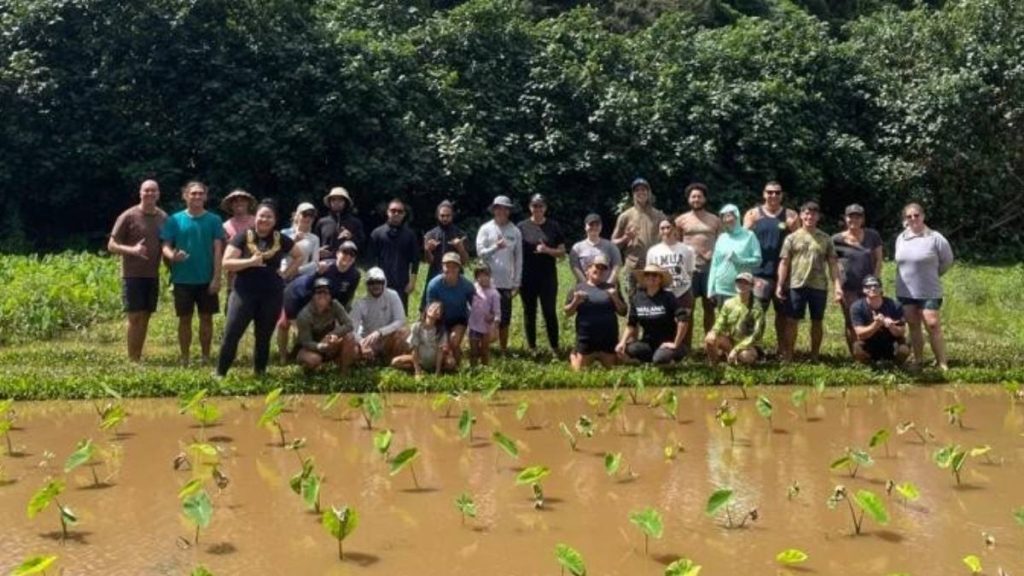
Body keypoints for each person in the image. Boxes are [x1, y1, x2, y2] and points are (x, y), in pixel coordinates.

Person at [217, 200, 304, 377]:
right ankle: (220, 373)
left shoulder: (281, 239)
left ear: (275, 220)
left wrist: (286, 274)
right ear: (255, 217)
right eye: (261, 216)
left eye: (269, 216)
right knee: (232, 333)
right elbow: (226, 263)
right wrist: (250, 262)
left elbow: (299, 256)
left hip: (271, 294)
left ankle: (260, 373)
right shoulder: (242, 236)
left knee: (264, 337)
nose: (264, 219)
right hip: (243, 292)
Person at [160, 181, 225, 366]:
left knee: (206, 318)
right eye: (193, 193)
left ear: (205, 196)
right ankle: (185, 358)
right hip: (182, 279)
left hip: (206, 279)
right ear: (185, 196)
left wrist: (216, 278)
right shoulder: (174, 220)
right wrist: (173, 256)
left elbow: (218, 250)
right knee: (184, 319)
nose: (196, 196)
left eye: (200, 193)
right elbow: (165, 245)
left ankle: (205, 357)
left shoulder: (214, 220)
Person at [107, 179, 168, 362]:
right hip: (132, 275)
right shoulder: (128, 216)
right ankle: (132, 359)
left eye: (153, 191)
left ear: (158, 194)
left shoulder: (163, 218)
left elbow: (167, 244)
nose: (150, 194)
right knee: (135, 317)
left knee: (146, 316)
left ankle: (138, 355)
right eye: (146, 190)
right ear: (140, 193)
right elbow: (111, 245)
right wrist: (131, 250)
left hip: (152, 275)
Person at [775, 201, 843, 362]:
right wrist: (779, 284)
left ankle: (815, 356)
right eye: (806, 213)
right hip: (796, 284)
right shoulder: (791, 238)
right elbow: (784, 262)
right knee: (792, 321)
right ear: (801, 215)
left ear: (818, 217)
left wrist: (837, 286)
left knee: (817, 321)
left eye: (813, 214)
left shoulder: (826, 238)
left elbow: (833, 263)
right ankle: (789, 356)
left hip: (818, 286)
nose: (809, 216)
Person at [894, 202, 954, 371]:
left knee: (932, 324)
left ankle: (942, 362)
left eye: (916, 215)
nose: (913, 219)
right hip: (905, 290)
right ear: (905, 219)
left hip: (929, 290)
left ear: (923, 216)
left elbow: (947, 261)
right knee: (913, 325)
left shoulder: (935, 237)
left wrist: (933, 274)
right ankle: (918, 360)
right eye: (909, 216)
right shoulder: (901, 238)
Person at [744, 181, 799, 350]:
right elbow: (742, 240)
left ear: (782, 195)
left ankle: (782, 349)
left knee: (782, 314)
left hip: (784, 273)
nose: (773, 195)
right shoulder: (753, 214)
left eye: (777, 192)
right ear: (763, 194)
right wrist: (750, 226)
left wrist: (793, 228)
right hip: (760, 273)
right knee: (757, 313)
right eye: (769, 192)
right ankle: (753, 349)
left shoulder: (791, 215)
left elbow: (800, 241)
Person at [675, 182, 721, 351]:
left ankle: (710, 345)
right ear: (689, 199)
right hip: (689, 270)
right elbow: (677, 243)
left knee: (710, 308)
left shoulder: (715, 220)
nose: (696, 199)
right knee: (688, 309)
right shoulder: (681, 220)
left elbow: (721, 242)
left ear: (705, 198)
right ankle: (686, 347)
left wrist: (713, 254)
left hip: (710, 269)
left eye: (699, 196)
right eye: (693, 196)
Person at [517, 194, 566, 352]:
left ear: (545, 208)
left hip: (548, 277)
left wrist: (547, 250)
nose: (537, 209)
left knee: (549, 311)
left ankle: (555, 347)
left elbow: (562, 253)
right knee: (529, 312)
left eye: (540, 206)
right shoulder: (521, 227)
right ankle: (532, 348)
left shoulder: (554, 226)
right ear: (529, 207)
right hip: (527, 277)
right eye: (534, 206)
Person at [833, 203, 884, 353]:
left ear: (863, 219)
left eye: (858, 216)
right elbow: (833, 266)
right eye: (850, 216)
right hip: (848, 287)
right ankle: (856, 353)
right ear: (845, 218)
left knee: (872, 318)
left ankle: (872, 351)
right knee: (851, 321)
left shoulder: (872, 236)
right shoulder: (836, 240)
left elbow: (879, 259)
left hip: (870, 286)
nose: (854, 219)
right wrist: (837, 287)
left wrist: (875, 281)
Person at [476, 195, 522, 354]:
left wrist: (517, 282)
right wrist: (495, 247)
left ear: (509, 211)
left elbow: (518, 258)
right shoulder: (485, 229)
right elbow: (480, 253)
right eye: (499, 208)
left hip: (506, 283)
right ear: (494, 209)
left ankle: (503, 349)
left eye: (505, 208)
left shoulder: (515, 231)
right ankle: (483, 348)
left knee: (504, 319)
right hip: (487, 283)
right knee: (484, 316)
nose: (502, 211)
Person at [615, 264, 688, 365]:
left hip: (667, 342)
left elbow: (683, 319)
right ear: (644, 278)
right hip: (648, 343)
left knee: (660, 359)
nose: (651, 277)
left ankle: (673, 356)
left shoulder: (668, 297)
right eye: (647, 274)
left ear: (660, 279)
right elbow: (631, 324)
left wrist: (675, 344)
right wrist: (622, 342)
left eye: (654, 275)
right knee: (627, 349)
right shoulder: (637, 298)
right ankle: (651, 359)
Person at [565, 255, 625, 370]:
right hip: (586, 339)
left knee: (613, 374)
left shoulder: (612, 288)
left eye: (603, 268)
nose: (600, 270)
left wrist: (615, 297)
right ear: (587, 269)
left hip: (607, 340)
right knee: (579, 375)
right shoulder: (577, 288)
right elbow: (567, 312)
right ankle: (574, 355)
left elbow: (623, 312)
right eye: (597, 267)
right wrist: (575, 301)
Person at [612, 178, 667, 299]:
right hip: (633, 267)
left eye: (644, 189)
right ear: (633, 194)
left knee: (656, 303)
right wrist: (626, 238)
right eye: (637, 190)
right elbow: (613, 244)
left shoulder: (659, 215)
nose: (641, 192)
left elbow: (668, 239)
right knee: (634, 304)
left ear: (649, 192)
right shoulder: (625, 216)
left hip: (654, 266)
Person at [646, 218, 696, 348]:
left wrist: (685, 286)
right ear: (659, 231)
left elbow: (689, 272)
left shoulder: (687, 249)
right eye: (662, 228)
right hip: (663, 292)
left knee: (685, 321)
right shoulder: (653, 251)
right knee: (665, 321)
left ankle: (685, 349)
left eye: (668, 227)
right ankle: (665, 347)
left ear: (674, 229)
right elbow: (650, 272)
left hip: (683, 292)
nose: (665, 231)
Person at [295, 278, 358, 373]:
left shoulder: (335, 305)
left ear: (330, 295)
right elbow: (306, 342)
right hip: (311, 348)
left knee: (350, 338)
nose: (322, 295)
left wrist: (333, 335)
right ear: (312, 295)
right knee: (313, 360)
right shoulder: (304, 315)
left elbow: (349, 324)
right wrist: (320, 346)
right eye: (318, 292)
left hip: (331, 343)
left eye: (326, 292)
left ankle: (344, 372)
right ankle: (313, 368)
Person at [369, 199, 421, 313]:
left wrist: (412, 282)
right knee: (378, 316)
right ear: (387, 212)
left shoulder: (410, 235)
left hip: (402, 283)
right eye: (393, 210)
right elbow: (371, 260)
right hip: (380, 283)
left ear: (404, 214)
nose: (396, 213)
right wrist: (373, 281)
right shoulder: (377, 233)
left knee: (399, 318)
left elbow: (415, 260)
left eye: (400, 211)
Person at [424, 252, 475, 366]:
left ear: (459, 268)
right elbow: (430, 309)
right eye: (447, 266)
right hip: (441, 320)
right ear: (442, 267)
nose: (450, 269)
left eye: (454, 266)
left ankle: (457, 367)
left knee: (454, 340)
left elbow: (475, 306)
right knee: (444, 346)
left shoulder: (467, 285)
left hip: (459, 318)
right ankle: (446, 363)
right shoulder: (433, 285)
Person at [350, 267, 409, 364]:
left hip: (388, 338)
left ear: (384, 282)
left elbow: (400, 320)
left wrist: (379, 332)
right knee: (353, 352)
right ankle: (371, 356)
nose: (375, 285)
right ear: (367, 284)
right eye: (371, 282)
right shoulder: (360, 303)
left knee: (404, 331)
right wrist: (362, 343)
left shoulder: (393, 295)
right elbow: (352, 329)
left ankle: (388, 358)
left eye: (379, 282)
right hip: (368, 340)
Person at [704, 272, 765, 366]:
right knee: (710, 339)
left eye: (746, 283)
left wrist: (737, 349)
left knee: (745, 356)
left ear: (752, 287)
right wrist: (714, 332)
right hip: (730, 340)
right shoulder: (729, 303)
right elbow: (720, 322)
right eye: (739, 282)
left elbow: (756, 335)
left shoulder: (757, 308)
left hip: (748, 345)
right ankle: (714, 366)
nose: (742, 285)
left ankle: (741, 360)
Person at [707, 204, 761, 306]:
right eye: (724, 217)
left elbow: (758, 261)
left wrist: (739, 260)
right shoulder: (722, 238)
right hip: (721, 288)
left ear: (737, 216)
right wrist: (711, 289)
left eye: (730, 216)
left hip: (741, 289)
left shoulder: (749, 236)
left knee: (742, 320)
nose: (727, 220)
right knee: (723, 320)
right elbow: (715, 264)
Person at [421, 200, 469, 311]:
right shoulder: (430, 235)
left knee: (455, 313)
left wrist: (460, 248)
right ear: (437, 216)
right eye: (442, 215)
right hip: (435, 277)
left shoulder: (461, 235)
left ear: (452, 216)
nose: (445, 218)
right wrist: (428, 250)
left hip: (455, 279)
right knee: (430, 311)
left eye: (448, 216)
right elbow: (429, 261)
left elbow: (465, 261)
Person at [850, 276, 909, 365]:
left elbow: (901, 332)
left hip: (890, 342)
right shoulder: (857, 307)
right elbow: (860, 334)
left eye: (876, 286)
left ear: (881, 288)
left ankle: (895, 365)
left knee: (904, 349)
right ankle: (870, 366)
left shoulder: (895, 305)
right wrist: (876, 324)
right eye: (868, 286)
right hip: (869, 342)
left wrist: (891, 326)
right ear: (863, 290)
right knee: (857, 348)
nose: (872, 288)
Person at [391, 302, 455, 377]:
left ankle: (433, 369)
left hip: (434, 359)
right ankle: (418, 369)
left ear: (439, 316)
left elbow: (440, 352)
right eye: (432, 307)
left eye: (438, 309)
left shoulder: (441, 330)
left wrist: (438, 371)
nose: (434, 309)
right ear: (427, 309)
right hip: (419, 358)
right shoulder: (416, 327)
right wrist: (417, 370)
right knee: (395, 362)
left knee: (451, 363)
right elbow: (414, 349)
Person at [220, 189, 257, 309]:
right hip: (234, 276)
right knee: (232, 310)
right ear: (230, 205)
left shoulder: (257, 222)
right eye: (235, 201)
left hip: (256, 272)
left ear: (248, 203)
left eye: (242, 200)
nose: (239, 203)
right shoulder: (225, 226)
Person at [569, 213, 621, 285]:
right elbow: (575, 267)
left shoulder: (611, 246)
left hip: (606, 286)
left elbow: (617, 266)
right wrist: (587, 285)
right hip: (585, 287)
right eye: (591, 225)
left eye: (597, 225)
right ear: (585, 227)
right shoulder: (577, 247)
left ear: (601, 227)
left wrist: (608, 284)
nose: (594, 227)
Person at [315, 186, 365, 255]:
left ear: (346, 202)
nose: (336, 202)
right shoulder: (322, 222)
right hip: (325, 262)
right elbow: (314, 243)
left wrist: (351, 238)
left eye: (340, 200)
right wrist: (317, 251)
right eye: (333, 200)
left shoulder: (355, 222)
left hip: (347, 262)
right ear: (329, 202)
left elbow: (363, 247)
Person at [468, 263, 501, 367]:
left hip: (486, 327)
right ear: (476, 277)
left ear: (490, 276)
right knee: (473, 351)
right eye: (480, 276)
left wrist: (494, 323)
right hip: (473, 325)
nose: (483, 278)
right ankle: (473, 369)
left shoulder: (494, 293)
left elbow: (497, 312)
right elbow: (467, 303)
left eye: (485, 275)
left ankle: (485, 371)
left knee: (484, 351)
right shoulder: (473, 289)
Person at [281, 202, 322, 276]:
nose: (308, 218)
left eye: (311, 215)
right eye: (305, 214)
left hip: (301, 275)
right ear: (298, 215)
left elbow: (315, 262)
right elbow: (278, 254)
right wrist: (293, 241)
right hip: (282, 272)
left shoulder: (314, 238)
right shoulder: (285, 233)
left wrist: (298, 271)